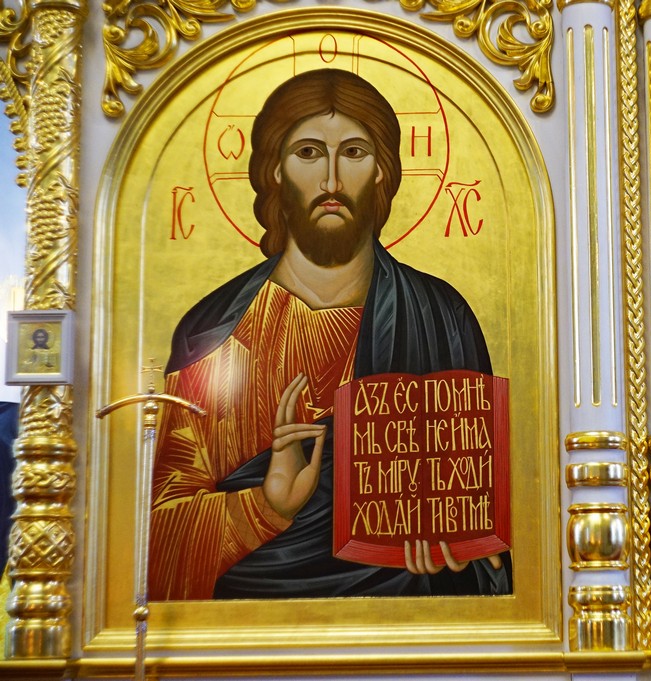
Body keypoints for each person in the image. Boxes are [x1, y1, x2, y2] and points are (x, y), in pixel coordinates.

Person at [150, 69, 510, 600]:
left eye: (355, 153)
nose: (333, 182)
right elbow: (159, 534)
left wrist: (463, 542)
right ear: (275, 169)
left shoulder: (442, 315)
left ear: (382, 170)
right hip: (242, 627)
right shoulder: (214, 332)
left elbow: (482, 513)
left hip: (408, 625)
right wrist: (266, 506)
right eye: (309, 153)